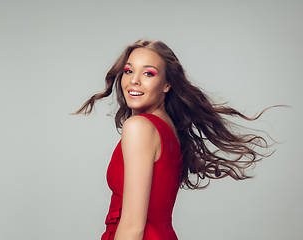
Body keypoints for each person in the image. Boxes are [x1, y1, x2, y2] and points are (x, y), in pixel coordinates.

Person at [75, 39, 276, 240]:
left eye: (148, 73)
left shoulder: (140, 128)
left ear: (167, 84)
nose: (134, 80)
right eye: (129, 71)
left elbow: (133, 227)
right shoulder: (166, 127)